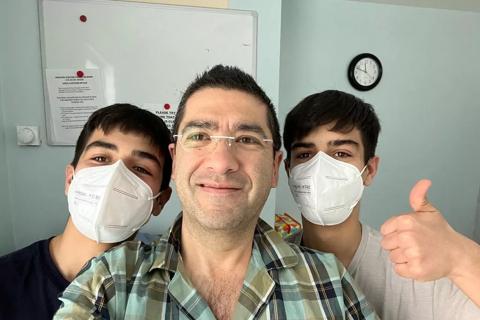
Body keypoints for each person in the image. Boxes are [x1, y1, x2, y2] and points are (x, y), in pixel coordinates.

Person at [54, 66, 378, 319]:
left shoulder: (328, 280)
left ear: (276, 166)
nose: (222, 163)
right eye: (199, 136)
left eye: (248, 139)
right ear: (176, 157)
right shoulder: (110, 278)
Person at [283, 90, 480, 319]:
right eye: (306, 155)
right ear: (289, 170)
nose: (320, 168)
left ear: (370, 170)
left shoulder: (415, 269)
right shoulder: (269, 267)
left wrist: (461, 257)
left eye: (341, 153)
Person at [0, 104, 172, 320]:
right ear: (70, 179)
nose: (114, 176)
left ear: (160, 201)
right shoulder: (6, 282)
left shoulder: (165, 295)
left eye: (140, 169)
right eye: (100, 158)